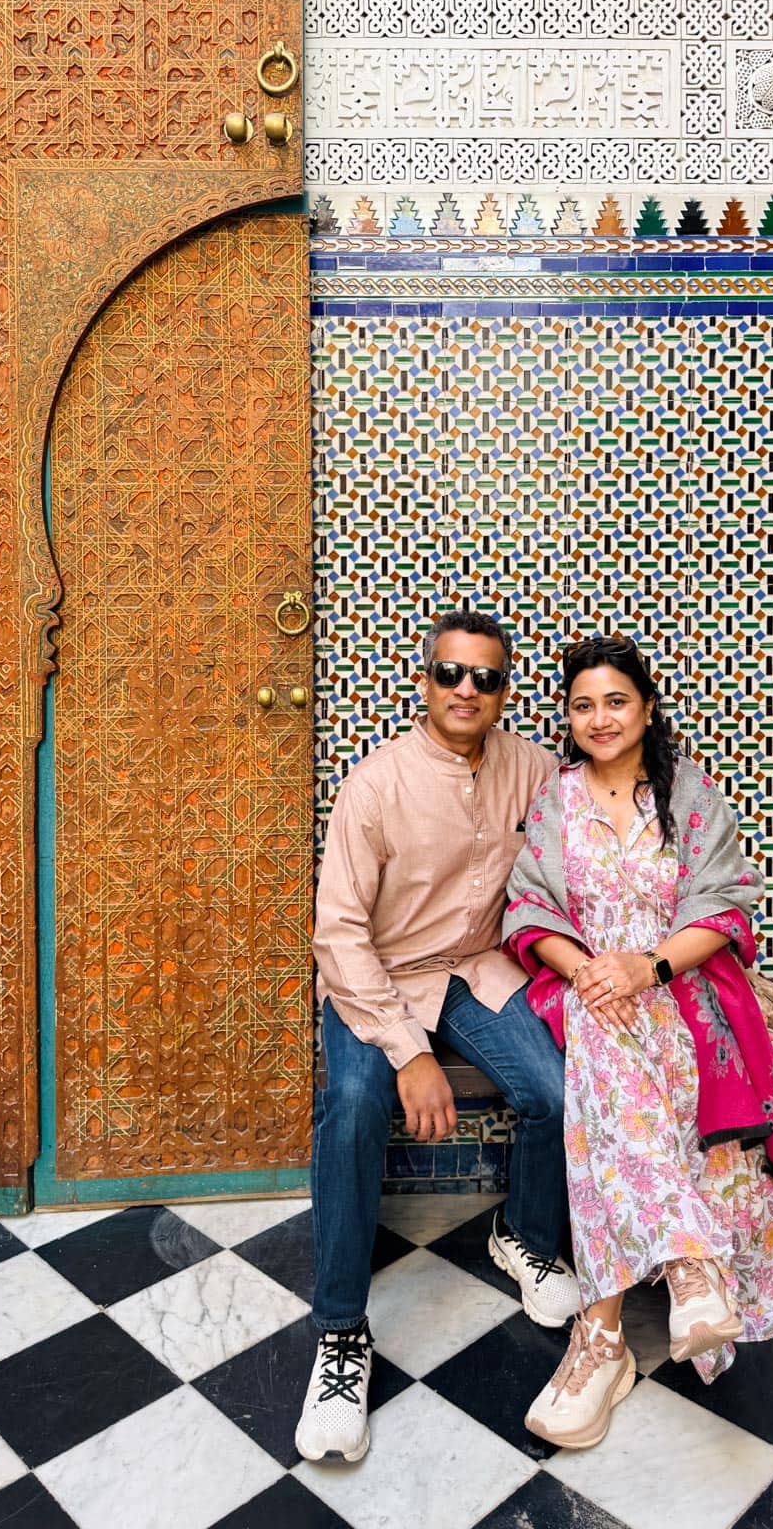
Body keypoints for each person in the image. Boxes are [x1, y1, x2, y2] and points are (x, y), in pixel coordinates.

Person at [503, 635, 773, 1450]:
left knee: (612, 1069)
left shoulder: (689, 793)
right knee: (602, 1039)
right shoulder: (553, 801)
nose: (599, 718)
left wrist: (647, 966)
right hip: (590, 986)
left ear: (644, 708)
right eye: (582, 705)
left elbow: (724, 905)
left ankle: (599, 1341)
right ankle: (691, 1268)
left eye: (615, 701)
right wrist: (595, 974)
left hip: (686, 990)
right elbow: (529, 912)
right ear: (566, 719)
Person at [296, 609, 581, 1464]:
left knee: (558, 1091)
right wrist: (409, 1053)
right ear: (424, 683)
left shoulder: (531, 768)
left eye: (486, 679)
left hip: (478, 969)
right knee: (351, 1105)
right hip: (377, 981)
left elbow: (608, 798)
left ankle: (523, 1238)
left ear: (504, 692)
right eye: (451, 675)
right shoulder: (376, 785)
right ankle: (342, 1336)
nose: (467, 691)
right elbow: (339, 933)